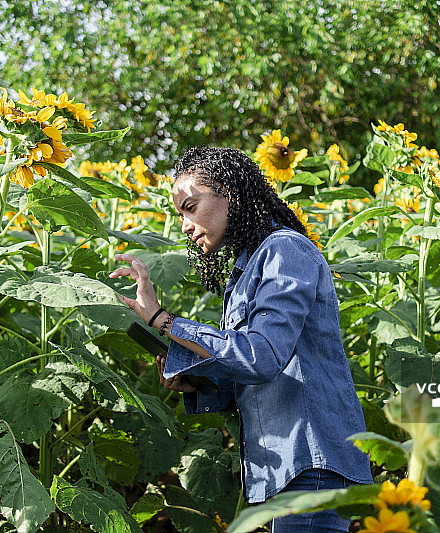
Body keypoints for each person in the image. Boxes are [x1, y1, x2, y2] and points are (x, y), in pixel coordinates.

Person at [110, 146, 372, 532]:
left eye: (191, 206)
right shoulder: (247, 268)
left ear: (230, 192)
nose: (184, 224)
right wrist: (196, 381)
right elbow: (256, 379)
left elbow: (261, 355)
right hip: (288, 468)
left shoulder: (284, 250)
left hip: (311, 462)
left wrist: (164, 320)